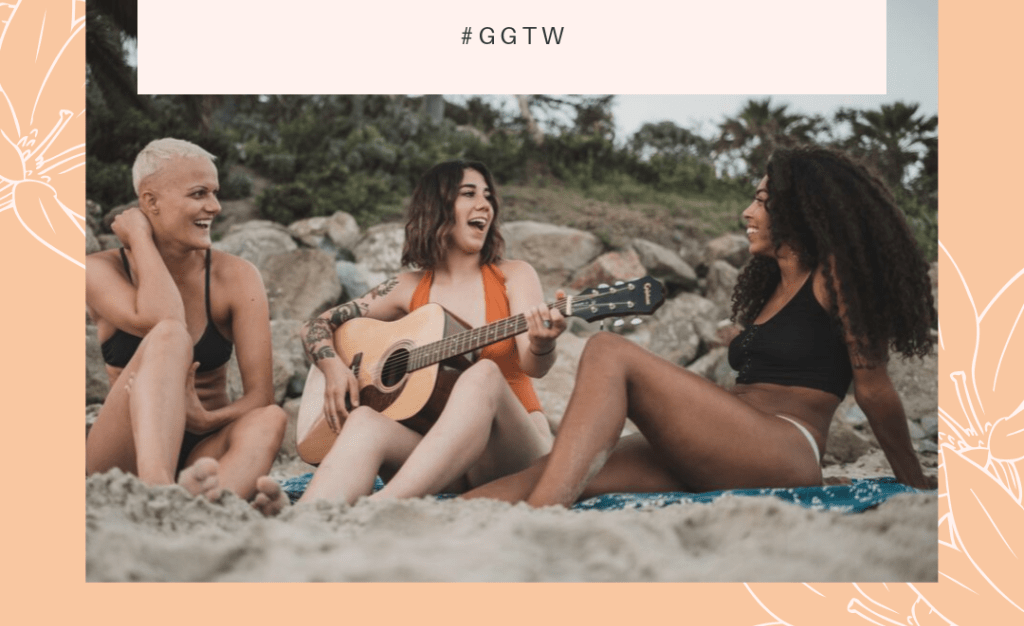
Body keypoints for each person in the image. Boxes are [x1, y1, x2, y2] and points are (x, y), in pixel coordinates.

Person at [466, 145, 937, 507]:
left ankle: (546, 517)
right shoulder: (772, 287)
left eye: (762, 201)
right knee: (549, 472)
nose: (747, 214)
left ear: (802, 211)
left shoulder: (834, 277)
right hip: (721, 444)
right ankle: (407, 522)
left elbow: (874, 390)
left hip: (783, 449)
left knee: (609, 350)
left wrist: (913, 482)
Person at [257, 159, 564, 511]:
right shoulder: (406, 289)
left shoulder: (513, 275)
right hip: (443, 463)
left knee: (484, 374)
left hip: (512, 454)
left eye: (488, 196)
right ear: (436, 207)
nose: (485, 205)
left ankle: (380, 506)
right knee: (364, 421)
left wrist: (543, 343)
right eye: (469, 194)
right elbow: (316, 326)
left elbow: (534, 366)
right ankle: (303, 518)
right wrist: (334, 370)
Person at [86, 138, 288, 513]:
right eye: (198, 194)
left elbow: (261, 397)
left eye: (214, 193)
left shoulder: (237, 277)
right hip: (124, 450)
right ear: (150, 202)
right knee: (169, 335)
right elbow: (165, 319)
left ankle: (201, 512)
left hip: (202, 450)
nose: (214, 206)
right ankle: (159, 492)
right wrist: (142, 241)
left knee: (270, 420)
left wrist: (208, 418)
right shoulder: (101, 270)